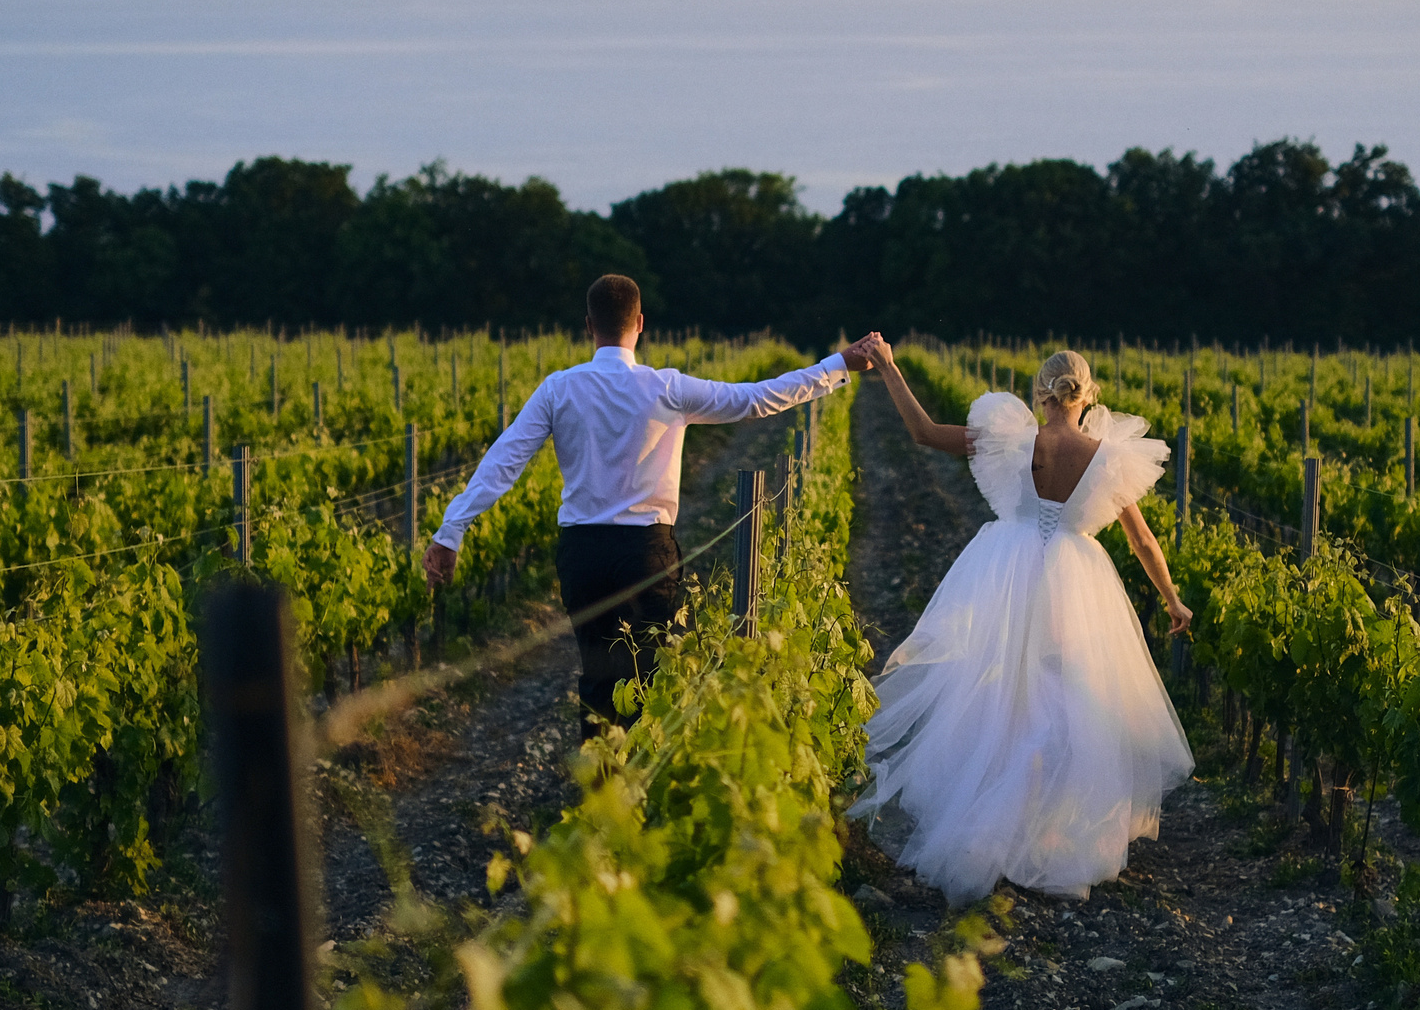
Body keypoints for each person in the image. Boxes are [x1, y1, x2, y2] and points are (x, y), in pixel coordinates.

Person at [425, 274, 877, 739]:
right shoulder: (668, 389)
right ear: (640, 323)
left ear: (588, 326)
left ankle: (602, 796)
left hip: (581, 554)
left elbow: (503, 462)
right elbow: (757, 399)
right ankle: (635, 798)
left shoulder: (557, 389)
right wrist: (838, 364)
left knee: (598, 681)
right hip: (646, 554)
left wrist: (450, 533)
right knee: (645, 684)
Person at [851, 340, 1194, 904]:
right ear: (1088, 396)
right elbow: (1141, 540)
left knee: (997, 697)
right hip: (1073, 582)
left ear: (1040, 393)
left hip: (1004, 574)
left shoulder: (1011, 438)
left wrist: (889, 368)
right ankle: (1050, 837)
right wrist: (1173, 599)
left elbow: (922, 432)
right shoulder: (1108, 457)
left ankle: (989, 829)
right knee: (1063, 707)